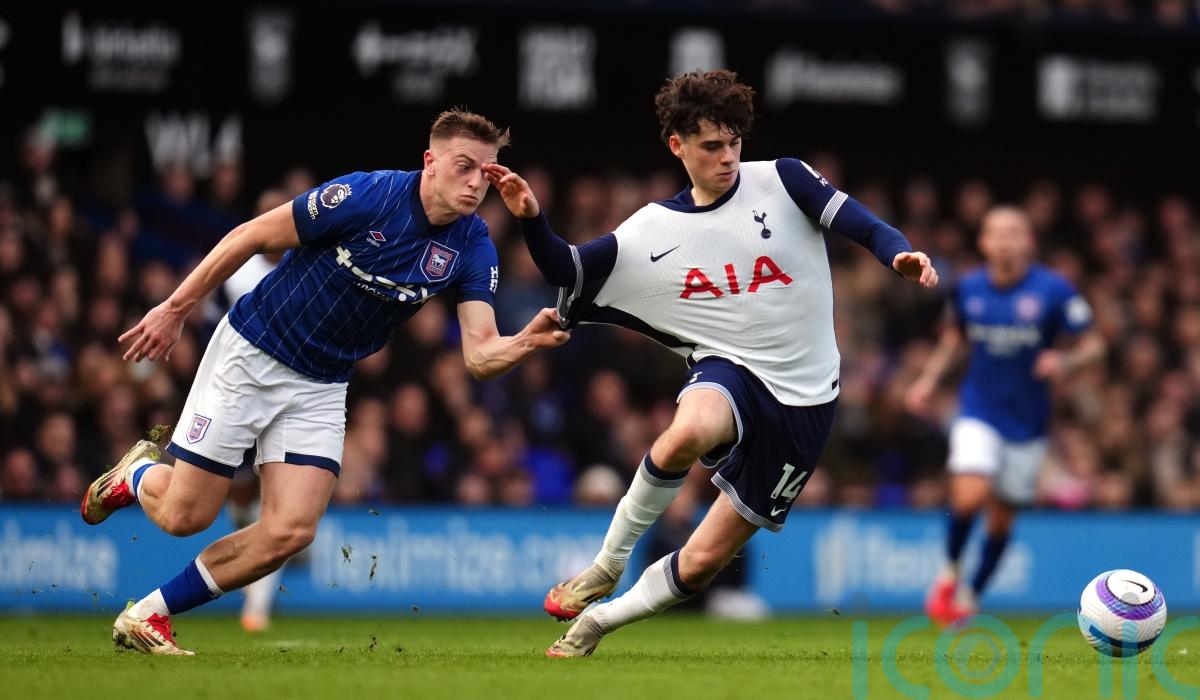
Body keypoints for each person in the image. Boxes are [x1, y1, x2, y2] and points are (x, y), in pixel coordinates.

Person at [484, 69, 939, 657]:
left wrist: (897, 253)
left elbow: (864, 225)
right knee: (689, 430)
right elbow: (565, 269)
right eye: (711, 146)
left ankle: (599, 623)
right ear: (677, 146)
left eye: (734, 142)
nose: (727, 157)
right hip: (730, 368)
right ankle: (606, 564)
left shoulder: (784, 180)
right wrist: (529, 217)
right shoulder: (654, 229)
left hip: (806, 401)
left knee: (701, 563)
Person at [79, 110, 568, 655]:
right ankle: (137, 473)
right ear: (430, 162)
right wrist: (174, 309)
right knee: (183, 517)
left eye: (488, 172)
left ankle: (149, 614)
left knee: (290, 531)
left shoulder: (472, 243)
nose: (477, 182)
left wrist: (527, 340)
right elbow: (250, 235)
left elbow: (479, 355)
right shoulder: (367, 195)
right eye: (465, 166)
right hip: (253, 353)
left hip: (322, 384)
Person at [905, 206, 1104, 626]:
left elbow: (1094, 345)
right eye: (997, 234)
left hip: (1028, 422)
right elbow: (955, 339)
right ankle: (950, 573)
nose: (1005, 242)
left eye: (1014, 233)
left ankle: (971, 595)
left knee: (1001, 517)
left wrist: (1064, 362)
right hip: (978, 409)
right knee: (969, 493)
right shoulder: (968, 288)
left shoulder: (1054, 290)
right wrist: (927, 380)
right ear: (984, 242)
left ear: (1028, 242)